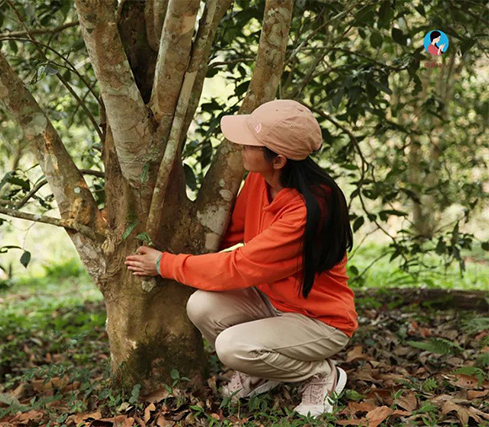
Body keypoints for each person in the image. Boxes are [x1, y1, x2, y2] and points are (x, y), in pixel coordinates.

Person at [124, 99, 358, 418]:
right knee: (200, 305)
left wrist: (165, 264)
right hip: (273, 300)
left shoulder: (306, 211)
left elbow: (240, 265)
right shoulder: (260, 180)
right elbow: (232, 232)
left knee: (232, 347)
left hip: (318, 320)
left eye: (250, 144)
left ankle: (320, 374)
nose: (240, 147)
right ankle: (261, 368)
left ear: (278, 160)